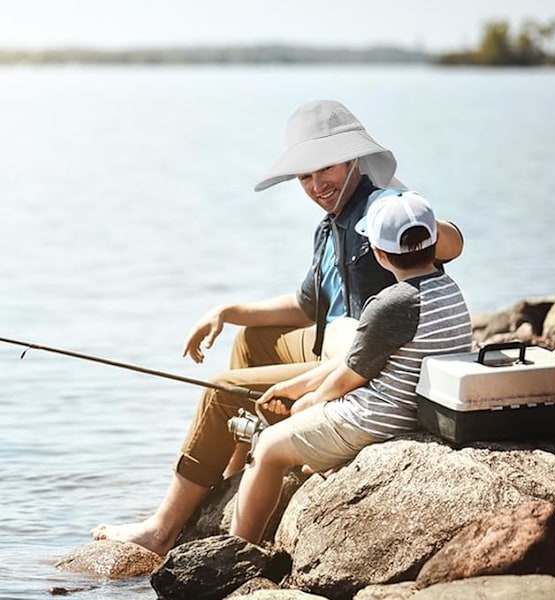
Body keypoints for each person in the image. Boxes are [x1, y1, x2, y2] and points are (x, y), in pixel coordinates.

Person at [91, 100, 464, 556]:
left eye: (324, 169)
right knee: (251, 338)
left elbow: (451, 245)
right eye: (304, 176)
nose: (315, 185)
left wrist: (416, 221)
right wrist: (227, 311)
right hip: (335, 349)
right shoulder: (329, 229)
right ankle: (229, 476)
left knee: (222, 387)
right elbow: (307, 305)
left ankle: (162, 529)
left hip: (365, 367)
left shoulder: (380, 207)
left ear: (353, 161)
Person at [230, 190, 473, 544]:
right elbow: (353, 359)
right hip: (417, 406)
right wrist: (295, 386)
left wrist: (309, 402)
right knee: (296, 415)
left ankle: (238, 548)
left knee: (267, 446)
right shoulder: (447, 288)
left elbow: (347, 378)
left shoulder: (392, 303)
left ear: (377, 253)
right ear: (433, 242)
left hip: (381, 418)